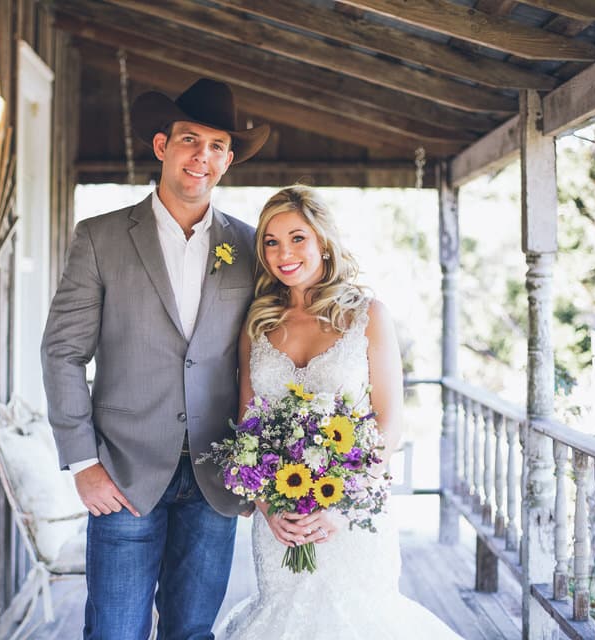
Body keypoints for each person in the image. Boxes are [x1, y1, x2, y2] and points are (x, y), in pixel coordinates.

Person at [41, 78, 270, 640]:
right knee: (114, 631)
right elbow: (62, 352)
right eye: (191, 140)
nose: (202, 156)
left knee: (191, 632)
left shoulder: (250, 246)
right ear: (162, 145)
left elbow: (274, 342)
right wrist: (82, 463)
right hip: (122, 475)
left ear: (229, 160)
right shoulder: (100, 238)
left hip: (217, 477)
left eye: (217, 146)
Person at [216, 185, 462, 639]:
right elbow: (248, 425)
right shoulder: (258, 324)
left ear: (323, 242)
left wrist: (343, 504)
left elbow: (389, 424)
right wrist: (269, 508)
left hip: (353, 518)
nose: (283, 253)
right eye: (271, 241)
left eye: (297, 238)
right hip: (281, 526)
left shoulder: (368, 316)